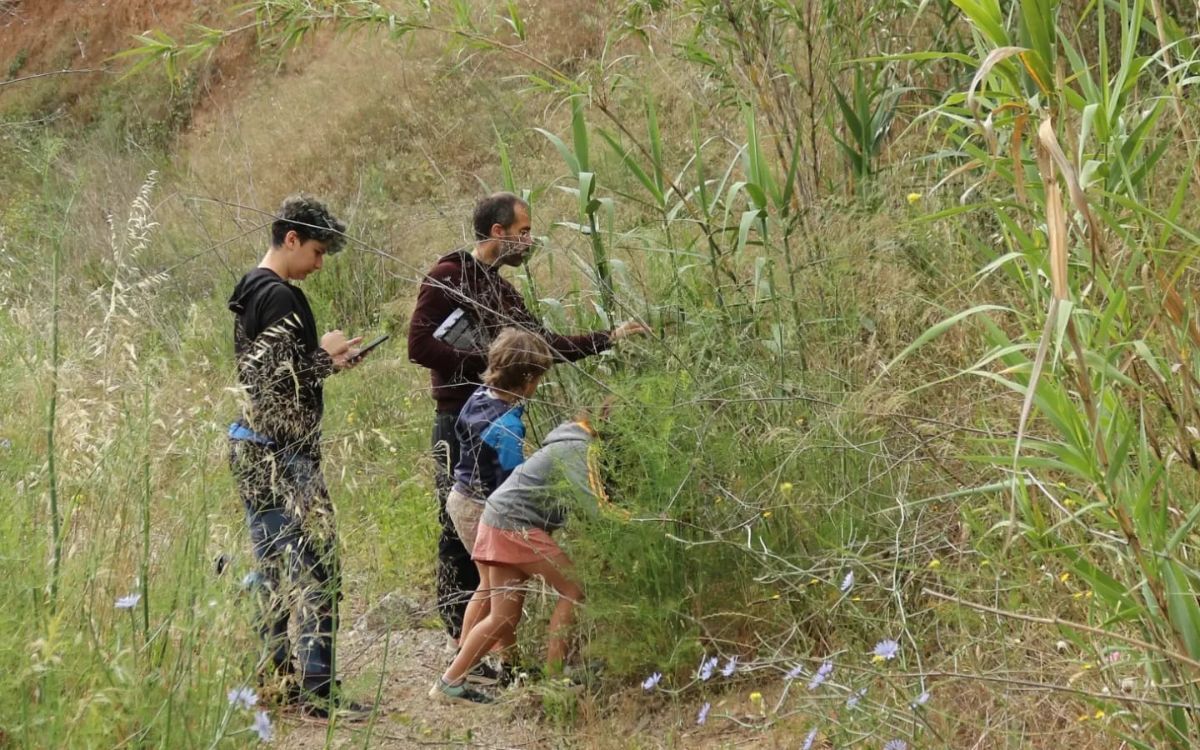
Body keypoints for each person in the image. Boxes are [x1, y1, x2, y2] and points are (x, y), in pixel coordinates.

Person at [407, 192, 648, 641]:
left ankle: (493, 644)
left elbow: (543, 346)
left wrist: (608, 338)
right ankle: (460, 640)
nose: (530, 241)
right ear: (498, 233)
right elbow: (418, 348)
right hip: (458, 417)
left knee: (495, 527)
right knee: (459, 528)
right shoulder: (448, 276)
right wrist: (492, 363)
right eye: (524, 233)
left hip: (498, 417)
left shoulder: (500, 290)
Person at [227, 195, 371, 719]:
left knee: (271, 568)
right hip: (284, 453)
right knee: (319, 567)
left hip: (250, 445)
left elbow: (261, 378)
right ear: (290, 239)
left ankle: (278, 678)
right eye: (315, 250)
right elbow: (273, 382)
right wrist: (324, 354)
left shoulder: (249, 289)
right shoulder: (282, 297)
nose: (319, 262)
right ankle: (317, 689)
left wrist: (324, 364)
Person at [430, 408, 619, 704]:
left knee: (503, 616)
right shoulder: (579, 448)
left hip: (497, 520)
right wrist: (645, 521)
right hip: (513, 526)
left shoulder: (565, 442)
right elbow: (598, 508)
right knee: (573, 588)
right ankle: (556, 680)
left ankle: (449, 683)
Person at [447, 328, 554, 678]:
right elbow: (512, 483)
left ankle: (504, 661)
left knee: (490, 587)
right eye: (537, 378)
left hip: (460, 498)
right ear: (526, 381)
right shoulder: (507, 425)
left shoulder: (479, 396)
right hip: (484, 508)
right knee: (502, 591)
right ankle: (471, 662)